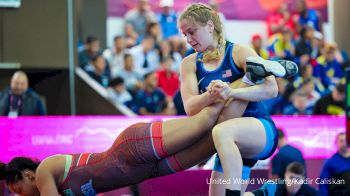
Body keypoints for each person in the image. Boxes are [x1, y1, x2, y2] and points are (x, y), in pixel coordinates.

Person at [178, 3, 298, 196]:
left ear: (210, 25)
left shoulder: (239, 52)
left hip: (257, 129)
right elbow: (190, 107)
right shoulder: (189, 64)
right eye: (185, 34)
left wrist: (231, 92)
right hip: (228, 144)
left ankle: (249, 78)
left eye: (192, 32)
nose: (188, 39)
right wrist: (212, 94)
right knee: (221, 129)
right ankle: (264, 193)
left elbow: (271, 89)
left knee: (222, 130)